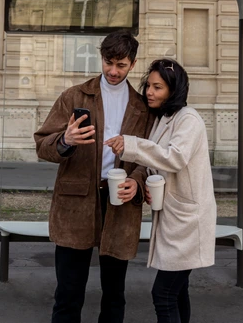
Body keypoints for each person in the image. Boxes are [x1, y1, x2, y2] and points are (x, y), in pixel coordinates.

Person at [34, 31, 153, 323]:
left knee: (114, 294)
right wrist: (66, 140)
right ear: (101, 58)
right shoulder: (74, 96)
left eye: (121, 65)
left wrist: (137, 181)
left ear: (133, 64)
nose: (113, 71)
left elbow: (149, 156)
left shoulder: (142, 106)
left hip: (119, 203)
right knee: (68, 293)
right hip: (75, 203)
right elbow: (42, 145)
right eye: (108, 62)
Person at [105, 58, 216, 323]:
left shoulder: (189, 119)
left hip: (188, 222)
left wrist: (131, 144)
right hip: (175, 219)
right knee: (177, 292)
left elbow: (174, 158)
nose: (150, 92)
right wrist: (141, 182)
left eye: (158, 87)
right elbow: (156, 164)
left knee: (163, 294)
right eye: (149, 86)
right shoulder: (164, 118)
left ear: (173, 90)